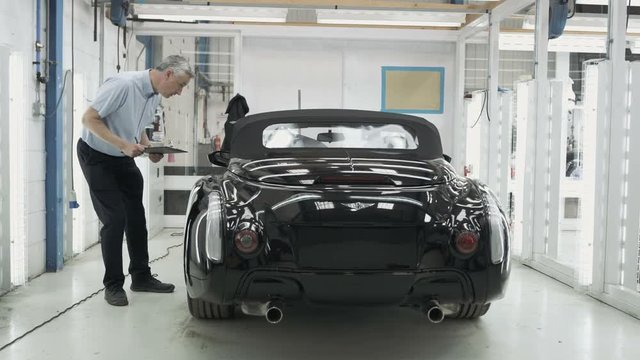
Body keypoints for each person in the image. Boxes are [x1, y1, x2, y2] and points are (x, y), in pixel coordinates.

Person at [76, 55, 194, 306]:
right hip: (96, 156)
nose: (180, 92)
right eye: (181, 85)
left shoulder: (153, 95)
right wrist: (124, 145)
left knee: (136, 218)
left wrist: (149, 147)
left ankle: (140, 277)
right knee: (114, 219)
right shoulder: (123, 85)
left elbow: (137, 125)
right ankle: (113, 285)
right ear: (169, 74)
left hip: (122, 157)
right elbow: (89, 119)